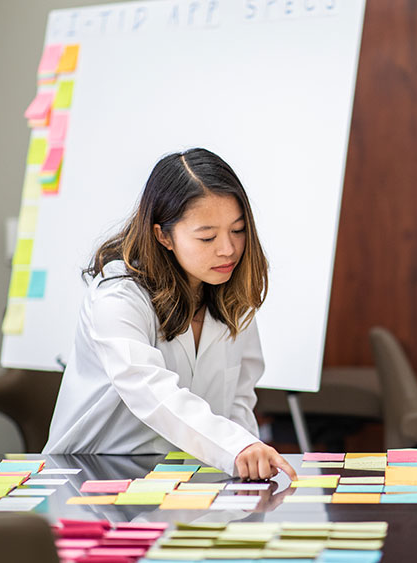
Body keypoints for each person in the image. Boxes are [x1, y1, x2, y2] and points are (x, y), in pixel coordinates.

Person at [43, 148, 297, 481]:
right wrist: (235, 447)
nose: (229, 249)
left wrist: (248, 457)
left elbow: (238, 399)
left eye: (237, 230)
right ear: (163, 235)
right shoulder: (118, 296)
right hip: (92, 475)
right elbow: (151, 391)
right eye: (207, 236)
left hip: (186, 476)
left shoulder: (232, 292)